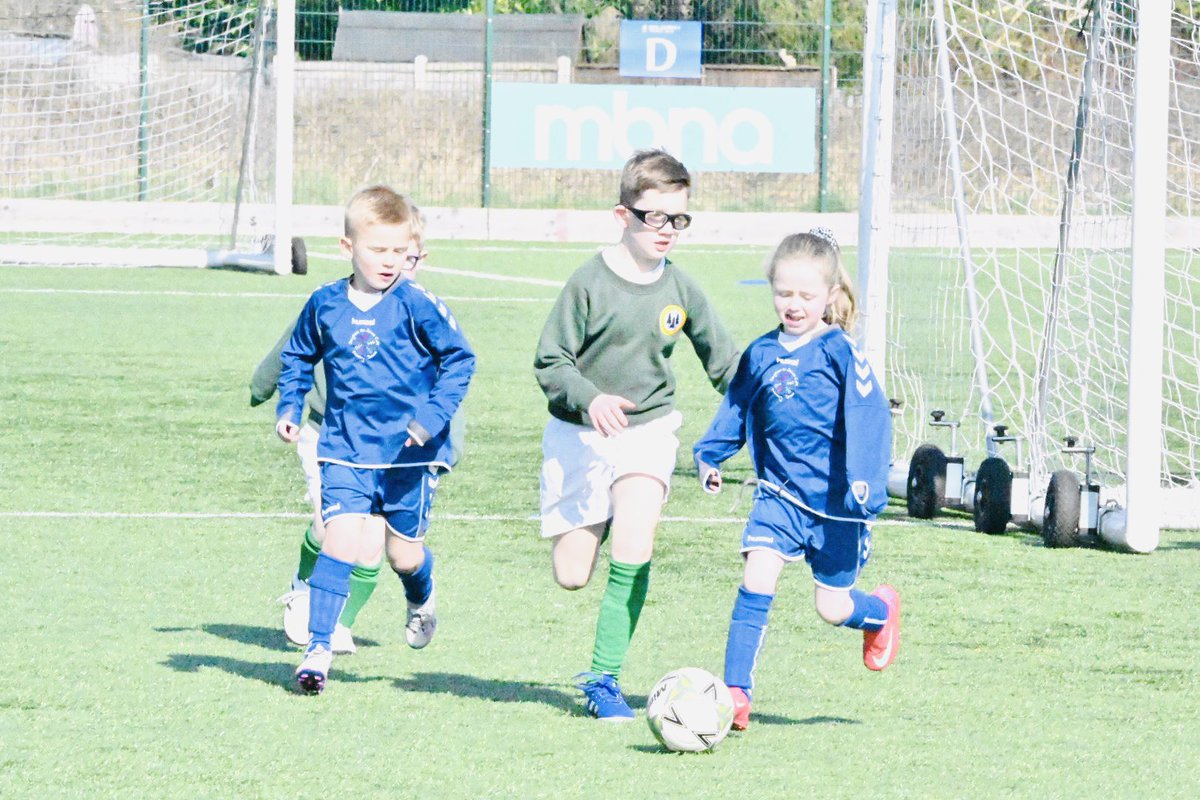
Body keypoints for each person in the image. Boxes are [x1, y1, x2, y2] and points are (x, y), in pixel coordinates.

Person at [533, 149, 740, 721]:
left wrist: (776, 400)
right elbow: (550, 362)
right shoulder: (588, 283)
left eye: (679, 219)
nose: (668, 231)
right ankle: (593, 523)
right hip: (578, 436)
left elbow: (726, 365)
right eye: (656, 217)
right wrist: (591, 397)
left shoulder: (682, 288)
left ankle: (603, 679)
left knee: (637, 536)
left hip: (649, 431)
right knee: (572, 574)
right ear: (622, 216)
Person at [693, 228, 900, 732]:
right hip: (778, 496)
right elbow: (737, 405)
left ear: (830, 296)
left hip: (837, 506)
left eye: (806, 295)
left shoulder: (840, 352)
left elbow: (870, 416)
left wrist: (867, 483)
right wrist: (711, 456)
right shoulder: (761, 353)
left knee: (832, 609)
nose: (793, 304)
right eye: (783, 293)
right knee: (755, 577)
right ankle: (736, 694)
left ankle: (879, 614)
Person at [275, 185, 475, 694]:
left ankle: (420, 595)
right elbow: (297, 356)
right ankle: (319, 646)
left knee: (403, 556)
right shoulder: (324, 304)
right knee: (339, 537)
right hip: (345, 447)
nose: (390, 261)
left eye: (399, 252)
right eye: (378, 250)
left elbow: (461, 360)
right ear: (348, 248)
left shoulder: (418, 303)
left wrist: (430, 418)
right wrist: (289, 407)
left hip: (411, 455)